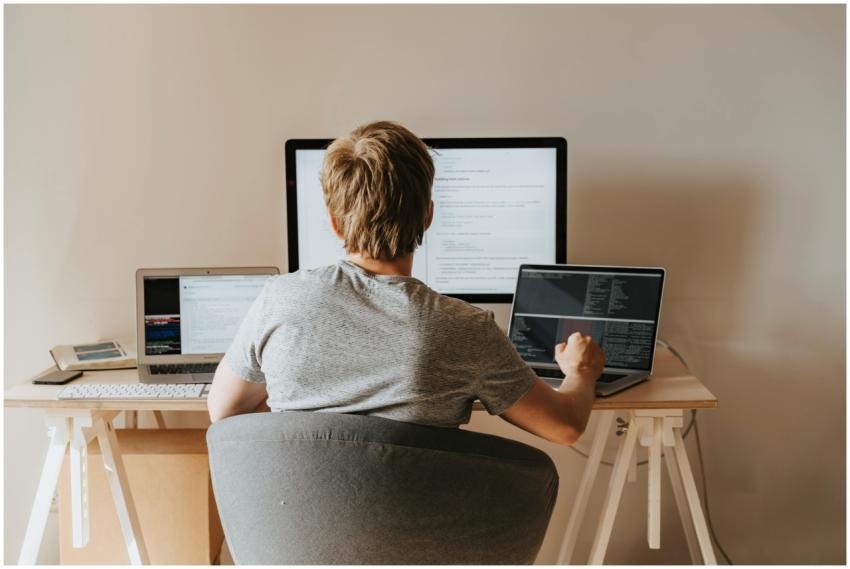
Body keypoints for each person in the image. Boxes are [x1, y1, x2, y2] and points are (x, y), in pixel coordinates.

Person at [207, 121, 604, 445]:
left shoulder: (279, 300)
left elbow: (224, 411)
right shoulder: (466, 329)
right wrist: (580, 372)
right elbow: (565, 427)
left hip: (295, 537)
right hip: (418, 537)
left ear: (333, 220)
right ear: (428, 215)